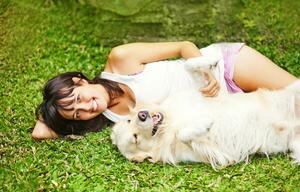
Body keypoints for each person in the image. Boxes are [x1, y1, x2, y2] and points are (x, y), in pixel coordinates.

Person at [32, 41, 298, 140]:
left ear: (80, 80)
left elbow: (184, 46)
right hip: (229, 106)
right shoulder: (107, 120)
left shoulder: (121, 59)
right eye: (78, 115)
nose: (88, 108)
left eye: (80, 98)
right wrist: (52, 112)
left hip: (225, 67)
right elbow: (40, 132)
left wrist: (204, 70)